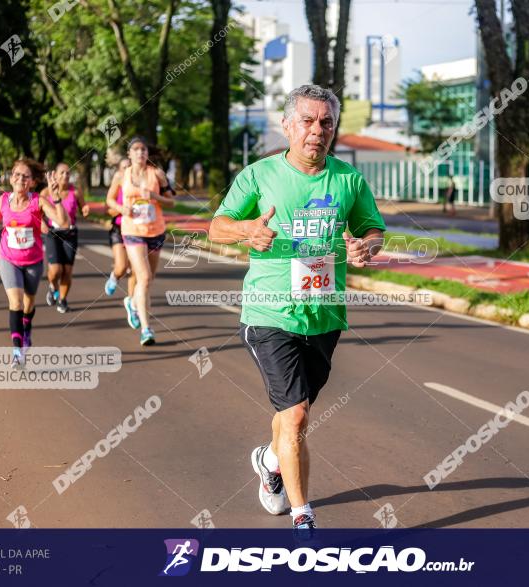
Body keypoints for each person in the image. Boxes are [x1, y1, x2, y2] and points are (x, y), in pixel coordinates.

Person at [208, 85, 386, 536]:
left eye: (326, 122)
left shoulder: (348, 180)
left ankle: (268, 462)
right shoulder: (259, 175)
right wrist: (247, 229)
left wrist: (366, 247)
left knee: (295, 411)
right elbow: (217, 227)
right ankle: (304, 516)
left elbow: (372, 229)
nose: (317, 130)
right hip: (269, 312)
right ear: (288, 126)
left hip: (324, 315)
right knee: (297, 415)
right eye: (307, 120)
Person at [0, 159, 69, 368]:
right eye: (16, 174)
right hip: (9, 260)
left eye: (25, 176)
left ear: (32, 182)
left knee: (28, 305)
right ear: (10, 177)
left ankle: (27, 330)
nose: (20, 179)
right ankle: (17, 351)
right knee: (15, 303)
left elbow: (63, 222)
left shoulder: (38, 201)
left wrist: (56, 198)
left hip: (33, 261)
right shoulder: (3, 200)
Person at [105, 137, 176, 346]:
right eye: (135, 149)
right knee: (143, 278)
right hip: (132, 231)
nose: (140, 153)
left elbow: (172, 201)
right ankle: (146, 328)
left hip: (156, 230)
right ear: (129, 154)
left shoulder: (157, 174)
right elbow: (109, 200)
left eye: (143, 149)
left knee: (149, 278)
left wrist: (155, 195)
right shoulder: (121, 175)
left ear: (147, 153)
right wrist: (121, 209)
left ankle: (132, 302)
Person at [42, 162, 90, 314]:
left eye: (68, 173)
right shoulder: (45, 192)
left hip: (70, 233)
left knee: (67, 271)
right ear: (54, 175)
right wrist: (42, 224)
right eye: (62, 173)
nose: (65, 176)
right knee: (56, 270)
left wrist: (85, 209)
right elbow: (37, 212)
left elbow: (83, 208)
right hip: (53, 233)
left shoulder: (75, 191)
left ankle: (62, 300)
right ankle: (52, 286)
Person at [104, 159, 139, 325]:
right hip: (118, 229)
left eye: (129, 167)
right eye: (124, 167)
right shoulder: (117, 183)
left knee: (135, 270)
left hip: (135, 230)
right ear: (119, 170)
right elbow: (108, 209)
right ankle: (114, 276)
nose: (127, 169)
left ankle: (131, 303)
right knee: (122, 266)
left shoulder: (139, 182)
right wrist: (121, 209)